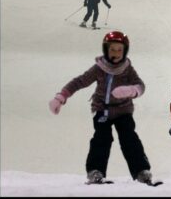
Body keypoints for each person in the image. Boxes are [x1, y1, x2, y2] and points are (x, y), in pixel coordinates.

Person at [48, 31, 155, 185]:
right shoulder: (99, 68)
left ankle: (141, 171)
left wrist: (131, 90)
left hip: (123, 110)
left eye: (120, 50)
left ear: (125, 51)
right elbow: (80, 81)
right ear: (106, 50)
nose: (116, 53)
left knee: (129, 137)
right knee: (102, 138)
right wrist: (61, 96)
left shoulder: (127, 68)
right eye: (112, 49)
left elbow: (141, 86)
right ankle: (95, 171)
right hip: (102, 109)